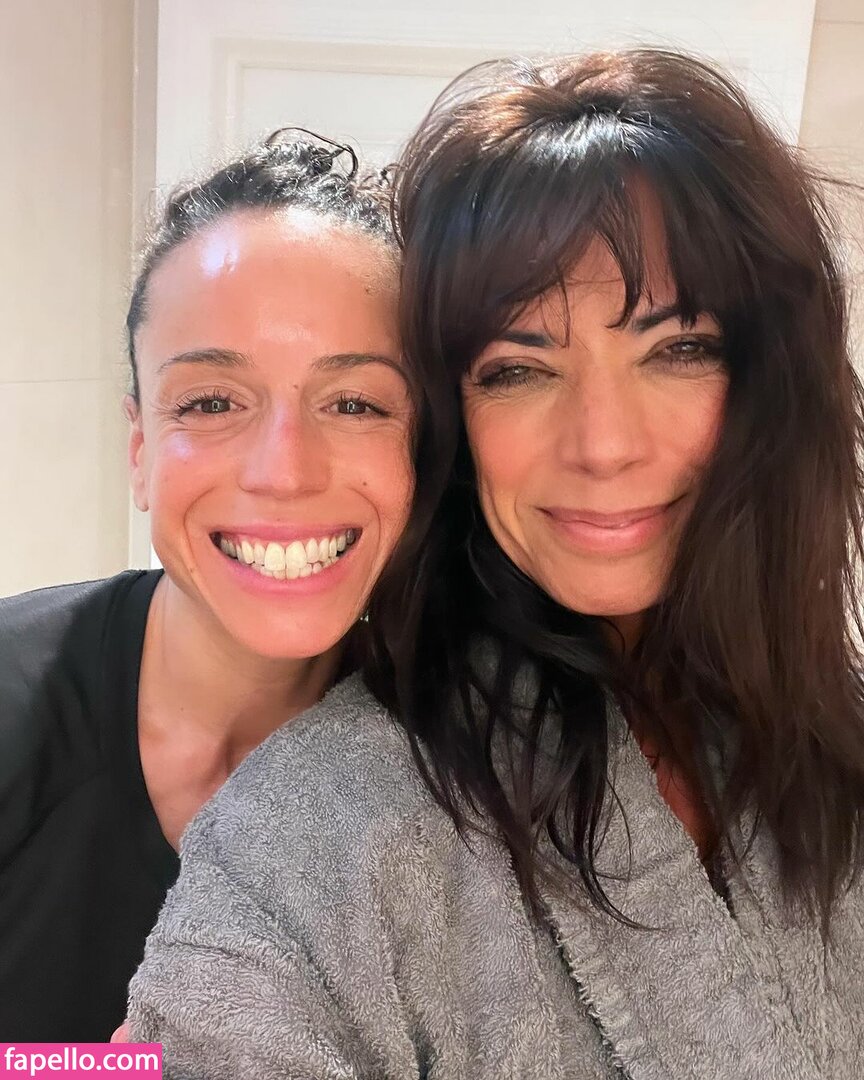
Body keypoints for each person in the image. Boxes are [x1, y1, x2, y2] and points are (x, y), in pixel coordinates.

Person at [128, 50, 864, 1077]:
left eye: (678, 348)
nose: (604, 444)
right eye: (518, 369)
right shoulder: (311, 835)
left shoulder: (830, 737)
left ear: (772, 380)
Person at [0, 132, 414, 1041]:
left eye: (355, 403)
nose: (285, 472)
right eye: (211, 403)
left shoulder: (468, 766)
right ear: (140, 450)